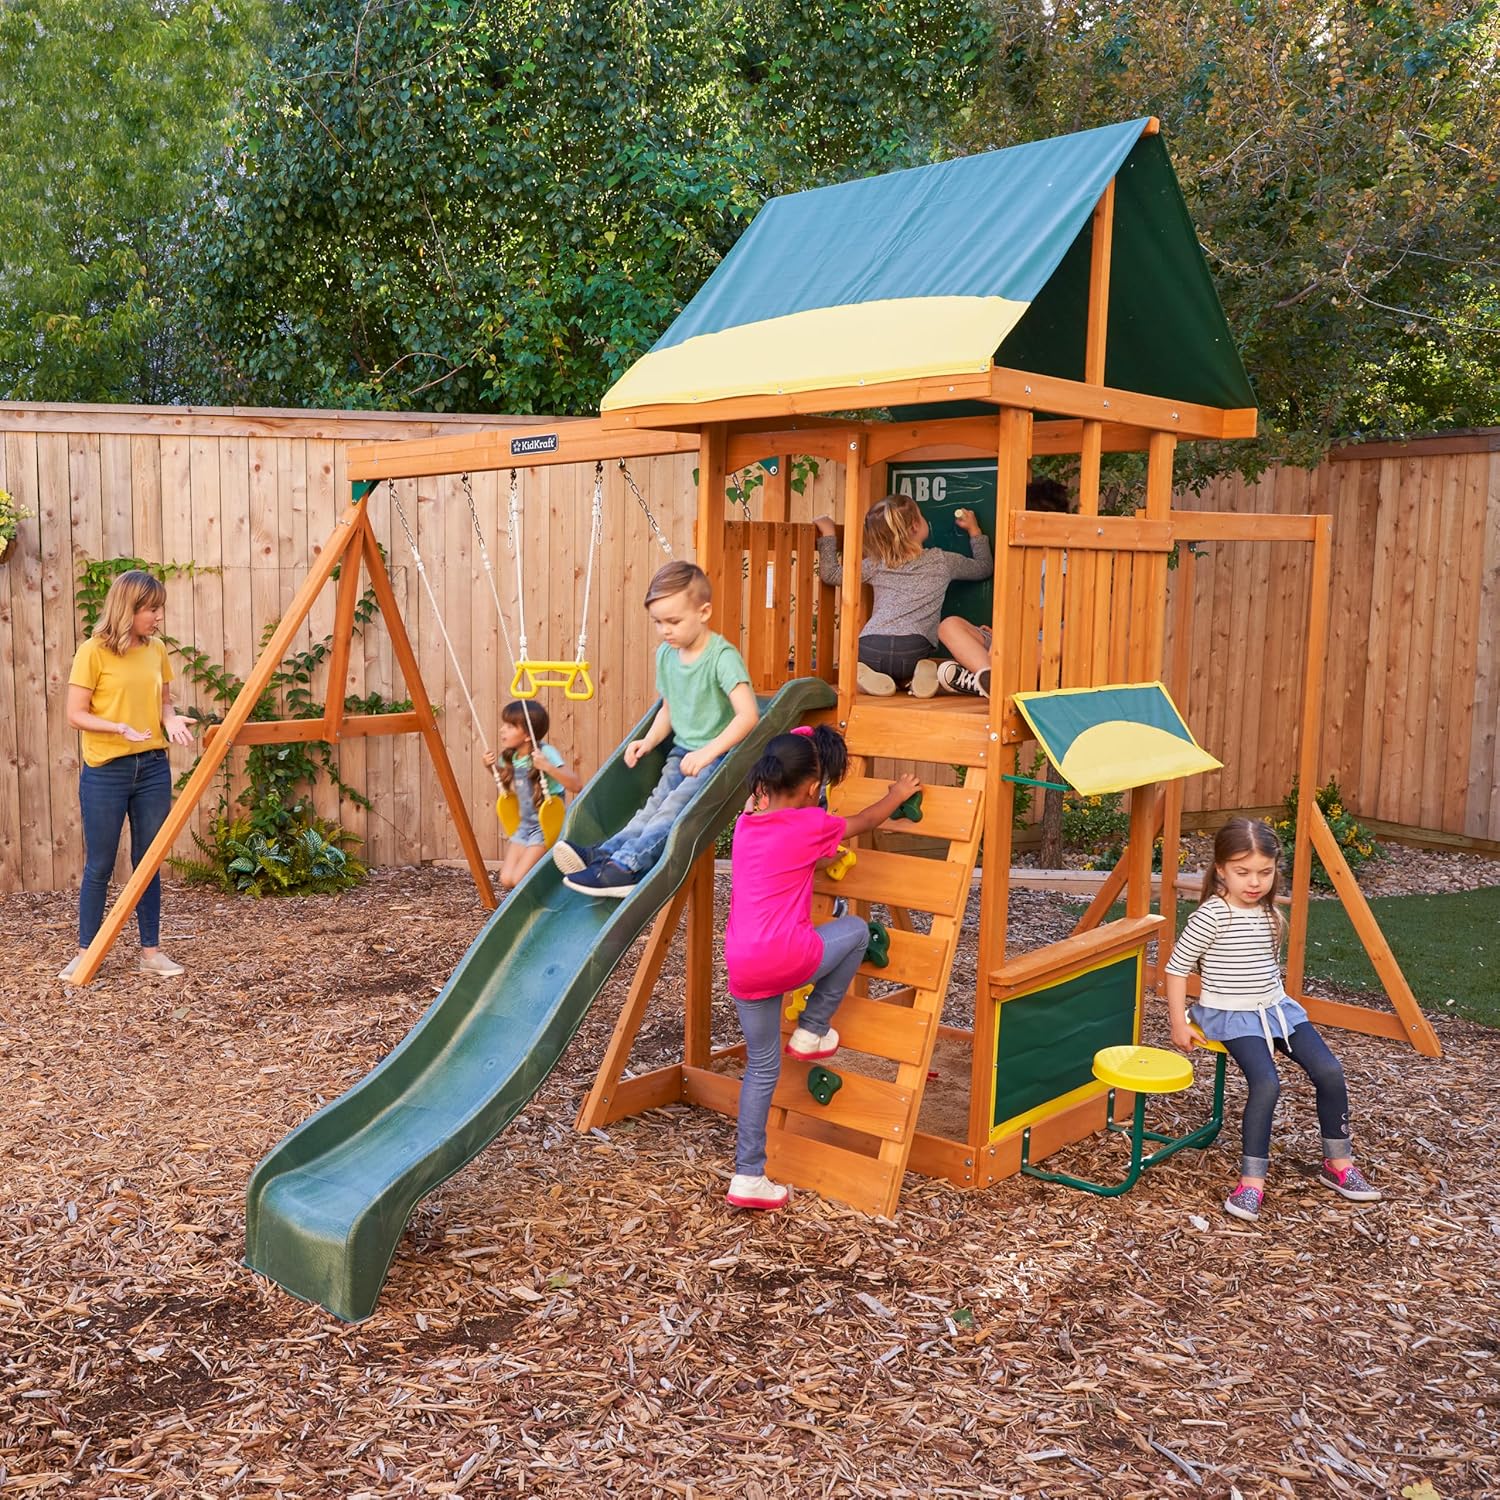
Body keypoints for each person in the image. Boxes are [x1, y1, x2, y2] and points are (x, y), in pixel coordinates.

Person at [722, 724, 921, 1209]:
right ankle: (812, 1029)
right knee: (854, 931)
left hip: (742, 964)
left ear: (765, 783)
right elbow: (866, 820)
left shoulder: (748, 823)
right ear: (814, 788)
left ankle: (748, 1176)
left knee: (762, 1068)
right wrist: (896, 795)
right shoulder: (813, 827)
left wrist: (801, 741)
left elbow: (783, 788)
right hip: (786, 957)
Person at [1164, 818, 1383, 1223]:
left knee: (1330, 1071)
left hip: (1275, 1009)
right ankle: (1251, 1183)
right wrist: (1179, 1022)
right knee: (1267, 1083)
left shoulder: (1267, 913)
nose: (1254, 882)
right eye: (1243, 872)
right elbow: (1176, 969)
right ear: (1221, 870)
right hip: (1231, 1015)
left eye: (1264, 872)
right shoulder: (1211, 915)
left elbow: (1263, 968)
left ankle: (1338, 1166)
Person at [552, 560, 759, 897]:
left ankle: (629, 866)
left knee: (672, 811)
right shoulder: (667, 654)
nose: (666, 630)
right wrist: (648, 740)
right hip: (682, 752)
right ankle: (606, 853)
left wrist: (708, 753)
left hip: (717, 758)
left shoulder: (722, 657)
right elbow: (669, 707)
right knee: (653, 807)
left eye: (673, 621)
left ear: (704, 612)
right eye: (659, 622)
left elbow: (748, 716)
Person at [60, 570, 197, 981]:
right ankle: (88, 951)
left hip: (152, 767)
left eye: (159, 609)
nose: (158, 617)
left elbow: (165, 703)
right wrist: (117, 727)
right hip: (107, 771)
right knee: (100, 864)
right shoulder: (93, 652)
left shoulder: (156, 651)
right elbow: (75, 714)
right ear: (128, 609)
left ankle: (150, 952)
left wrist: (170, 722)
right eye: (151, 609)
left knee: (148, 861)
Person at [813, 493, 993, 698]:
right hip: (913, 648)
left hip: (870, 646)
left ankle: (867, 674)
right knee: (908, 663)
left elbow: (831, 574)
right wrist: (974, 530)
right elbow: (983, 567)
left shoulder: (876, 564)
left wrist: (828, 533)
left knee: (866, 667)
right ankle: (917, 674)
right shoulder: (942, 561)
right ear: (916, 526)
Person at [482, 700, 583, 893]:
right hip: (524, 825)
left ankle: (550, 890)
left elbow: (576, 785)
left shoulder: (545, 753)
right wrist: (491, 768)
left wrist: (548, 767)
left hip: (544, 826)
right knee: (506, 879)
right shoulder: (509, 757)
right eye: (504, 724)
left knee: (519, 879)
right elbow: (508, 786)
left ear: (527, 735)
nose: (502, 730)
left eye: (510, 726)